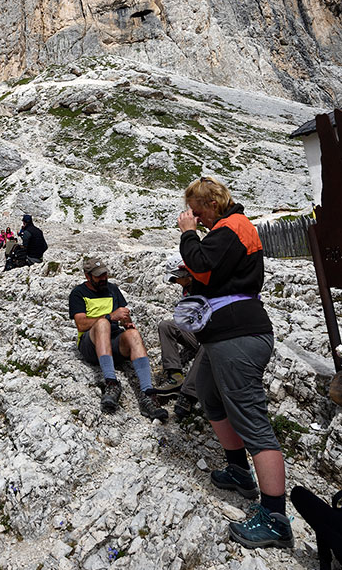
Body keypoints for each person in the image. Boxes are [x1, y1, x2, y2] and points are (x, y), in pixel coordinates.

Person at [177, 176, 293, 549]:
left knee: (252, 421)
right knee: (210, 398)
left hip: (237, 335)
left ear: (211, 204)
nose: (196, 217)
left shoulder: (232, 227)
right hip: (222, 334)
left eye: (198, 212)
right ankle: (240, 471)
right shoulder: (231, 229)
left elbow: (206, 267)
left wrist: (188, 235)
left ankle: (275, 518)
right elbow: (215, 275)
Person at [69, 257, 168, 421]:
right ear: (88, 276)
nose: (103, 279)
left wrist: (127, 323)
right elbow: (81, 324)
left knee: (133, 335)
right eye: (98, 276)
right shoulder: (78, 293)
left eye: (104, 274)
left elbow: (123, 314)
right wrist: (109, 316)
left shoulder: (112, 289)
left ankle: (148, 395)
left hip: (113, 341)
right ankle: (111, 383)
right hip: (91, 344)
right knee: (102, 324)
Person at [153, 256, 202, 419]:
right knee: (166, 325)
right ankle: (175, 375)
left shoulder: (204, 284)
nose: (174, 282)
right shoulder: (187, 288)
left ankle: (188, 396)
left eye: (175, 278)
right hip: (196, 332)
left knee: (209, 345)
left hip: (211, 335)